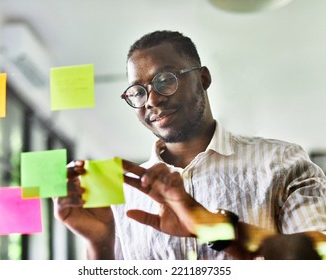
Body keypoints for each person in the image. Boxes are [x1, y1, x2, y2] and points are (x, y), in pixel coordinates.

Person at [53, 30, 326, 260]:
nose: (152, 100)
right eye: (137, 91)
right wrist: (100, 243)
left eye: (164, 80)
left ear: (203, 79)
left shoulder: (280, 162)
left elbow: (319, 256)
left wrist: (213, 226)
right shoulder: (123, 197)